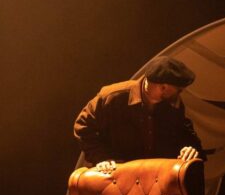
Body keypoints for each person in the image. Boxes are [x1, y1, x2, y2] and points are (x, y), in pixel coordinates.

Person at [74, 56, 204, 173]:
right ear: (163, 87)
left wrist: (189, 148)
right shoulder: (113, 97)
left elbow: (184, 133)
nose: (179, 94)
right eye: (178, 90)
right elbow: (82, 125)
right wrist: (101, 158)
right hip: (116, 177)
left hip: (153, 178)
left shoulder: (172, 104)